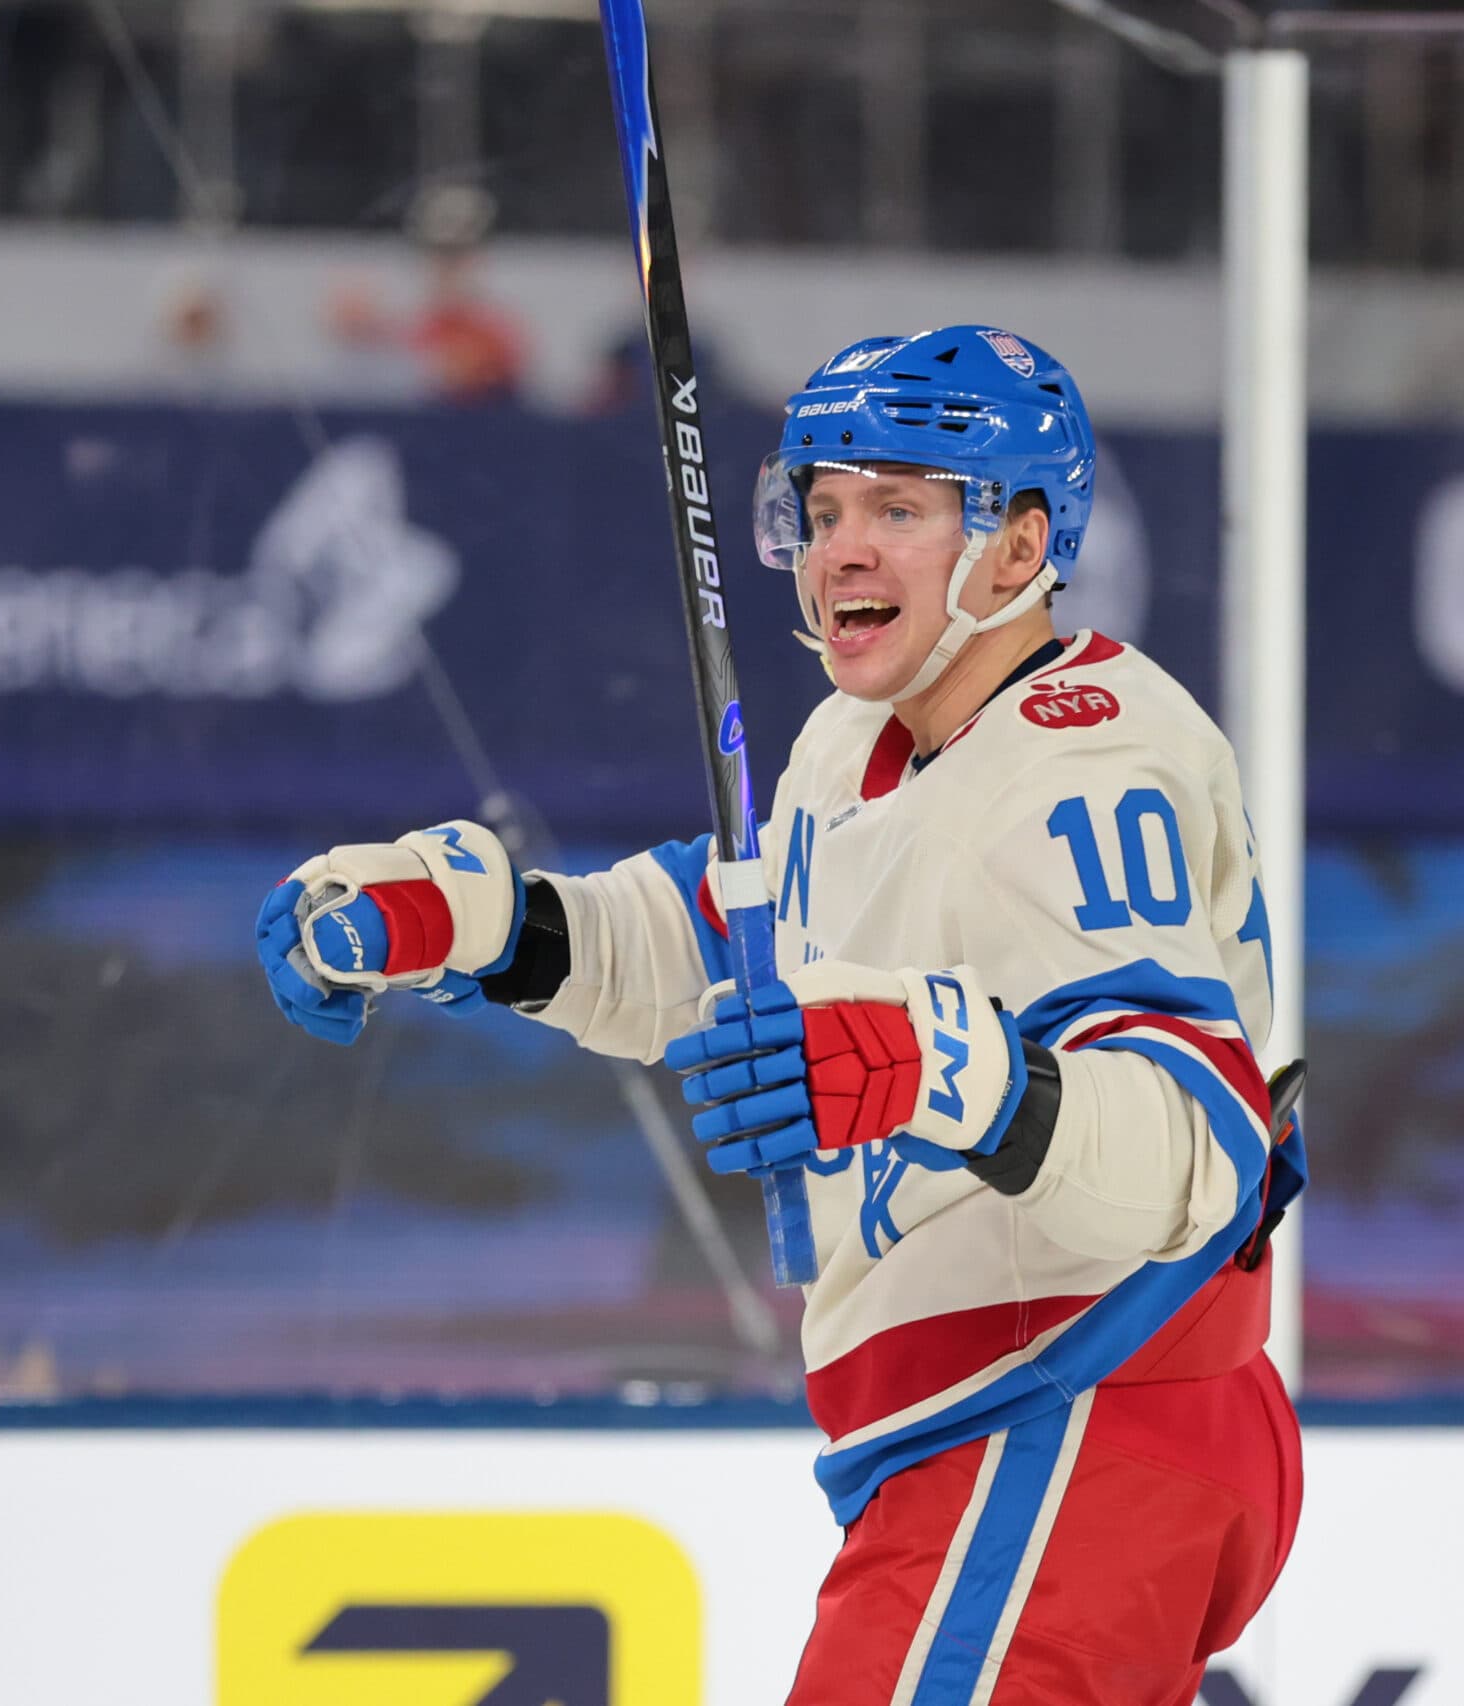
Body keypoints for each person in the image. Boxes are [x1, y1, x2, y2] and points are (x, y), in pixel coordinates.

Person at [256, 325, 1305, 1706]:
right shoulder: (849, 746)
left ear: (1018, 544)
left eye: (899, 508)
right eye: (821, 512)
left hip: (1071, 1414)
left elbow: (1202, 1147)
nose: (842, 550)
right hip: (988, 1439)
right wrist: (485, 923)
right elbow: (720, 944)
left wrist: (942, 1066)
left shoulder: (1088, 765)